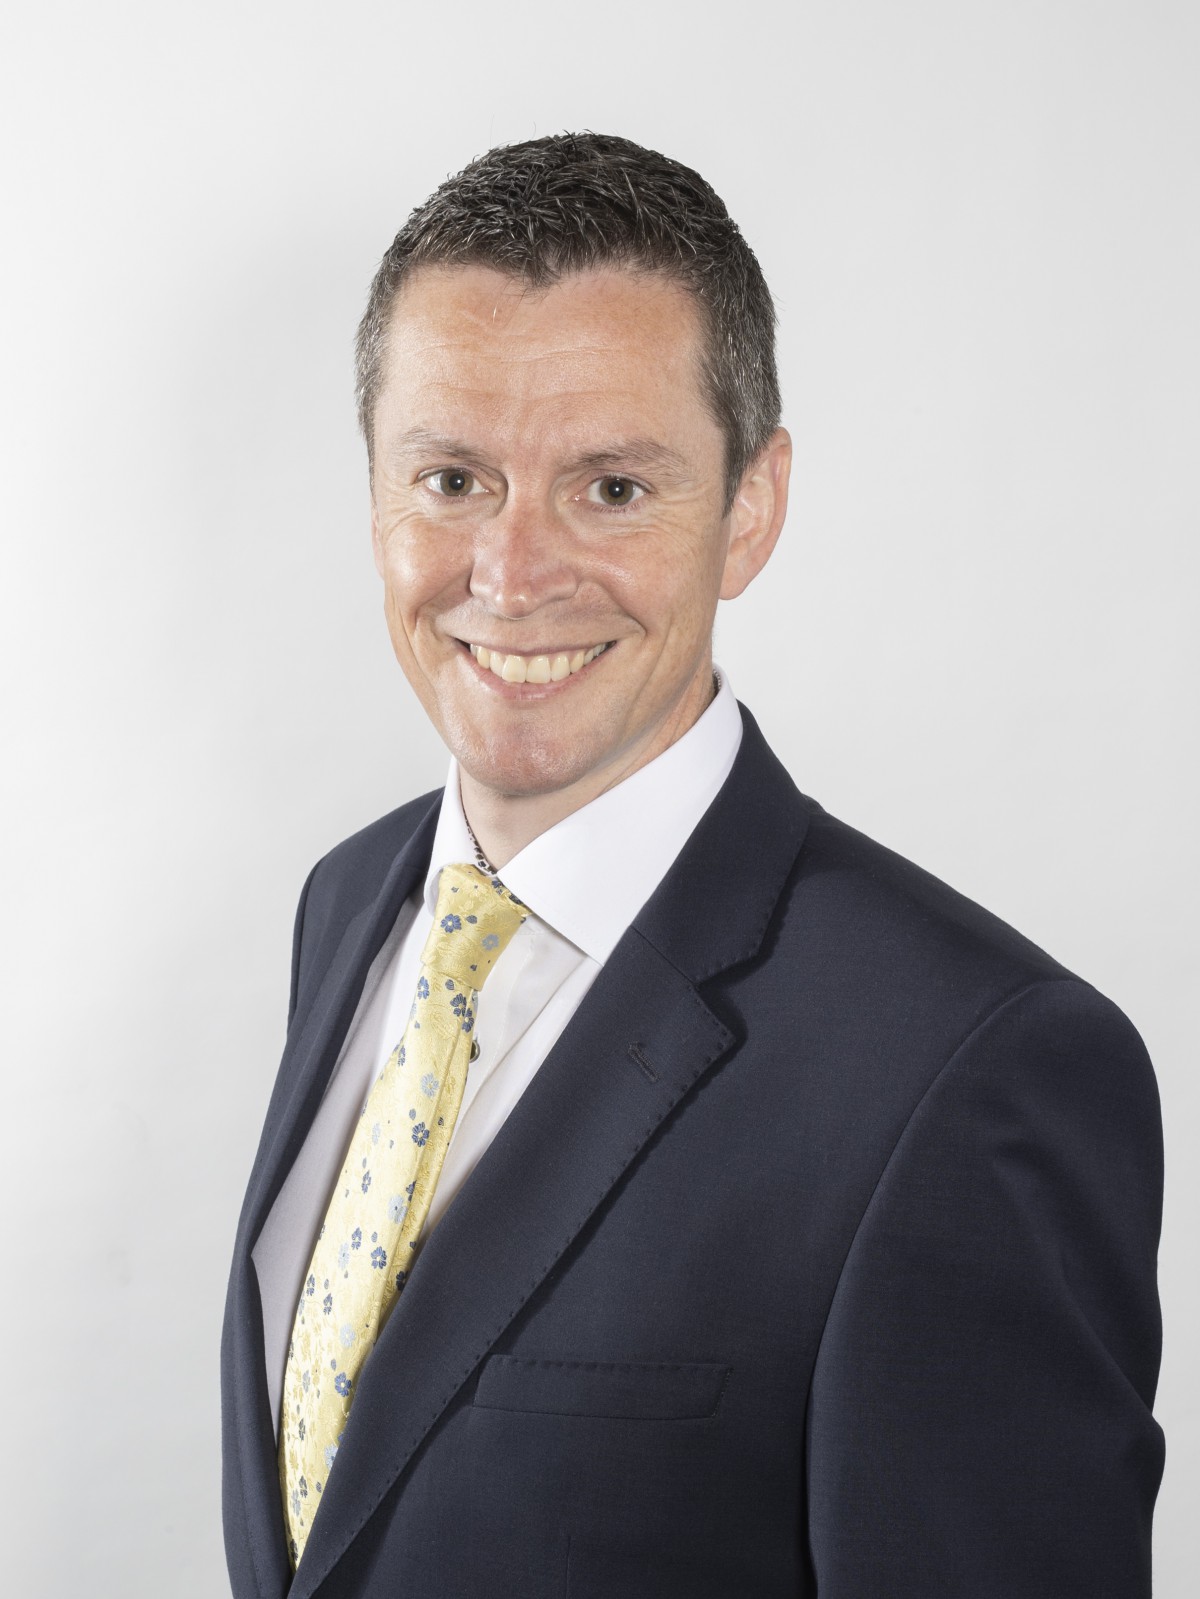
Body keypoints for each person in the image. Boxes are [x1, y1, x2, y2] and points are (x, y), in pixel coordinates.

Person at [220, 133, 1164, 1599]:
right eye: (454, 476)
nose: (511, 574)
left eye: (611, 488)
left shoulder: (969, 1074)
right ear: (375, 490)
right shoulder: (352, 907)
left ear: (752, 507)